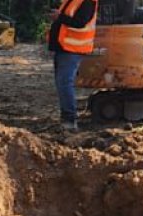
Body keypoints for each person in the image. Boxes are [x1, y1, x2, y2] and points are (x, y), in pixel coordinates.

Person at [48, 0, 98, 132]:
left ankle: (69, 120)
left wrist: (59, 17)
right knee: (62, 83)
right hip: (64, 48)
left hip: (72, 49)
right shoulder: (70, 1)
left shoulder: (87, 2)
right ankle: (67, 118)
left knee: (64, 83)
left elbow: (80, 22)